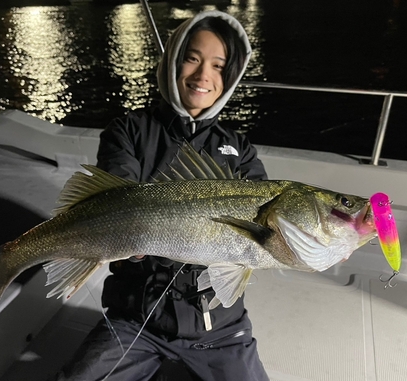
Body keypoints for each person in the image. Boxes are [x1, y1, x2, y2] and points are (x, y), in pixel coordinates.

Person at [52, 10, 269, 381]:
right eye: (192, 58)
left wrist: (326, 241)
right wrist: (127, 235)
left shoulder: (239, 149)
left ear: (229, 78)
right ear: (171, 62)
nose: (203, 75)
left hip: (220, 330)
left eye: (218, 66)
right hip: (136, 319)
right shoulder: (129, 131)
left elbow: (266, 231)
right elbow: (117, 198)